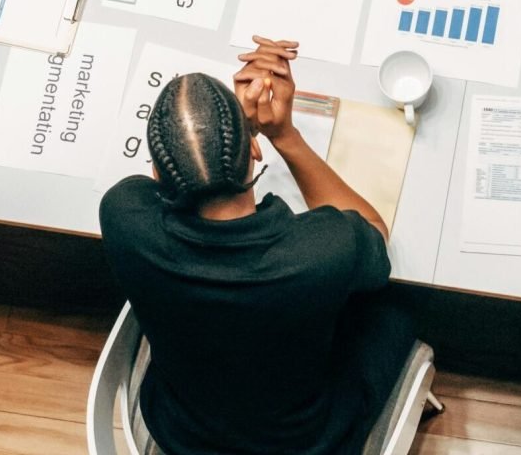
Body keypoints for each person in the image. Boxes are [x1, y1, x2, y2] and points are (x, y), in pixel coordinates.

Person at [98, 38, 415, 455]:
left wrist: (223, 137)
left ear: (157, 173)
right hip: (306, 443)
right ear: (253, 148)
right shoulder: (323, 252)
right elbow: (375, 230)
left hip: (182, 434)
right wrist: (284, 134)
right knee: (392, 311)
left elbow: (159, 188)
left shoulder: (123, 217)